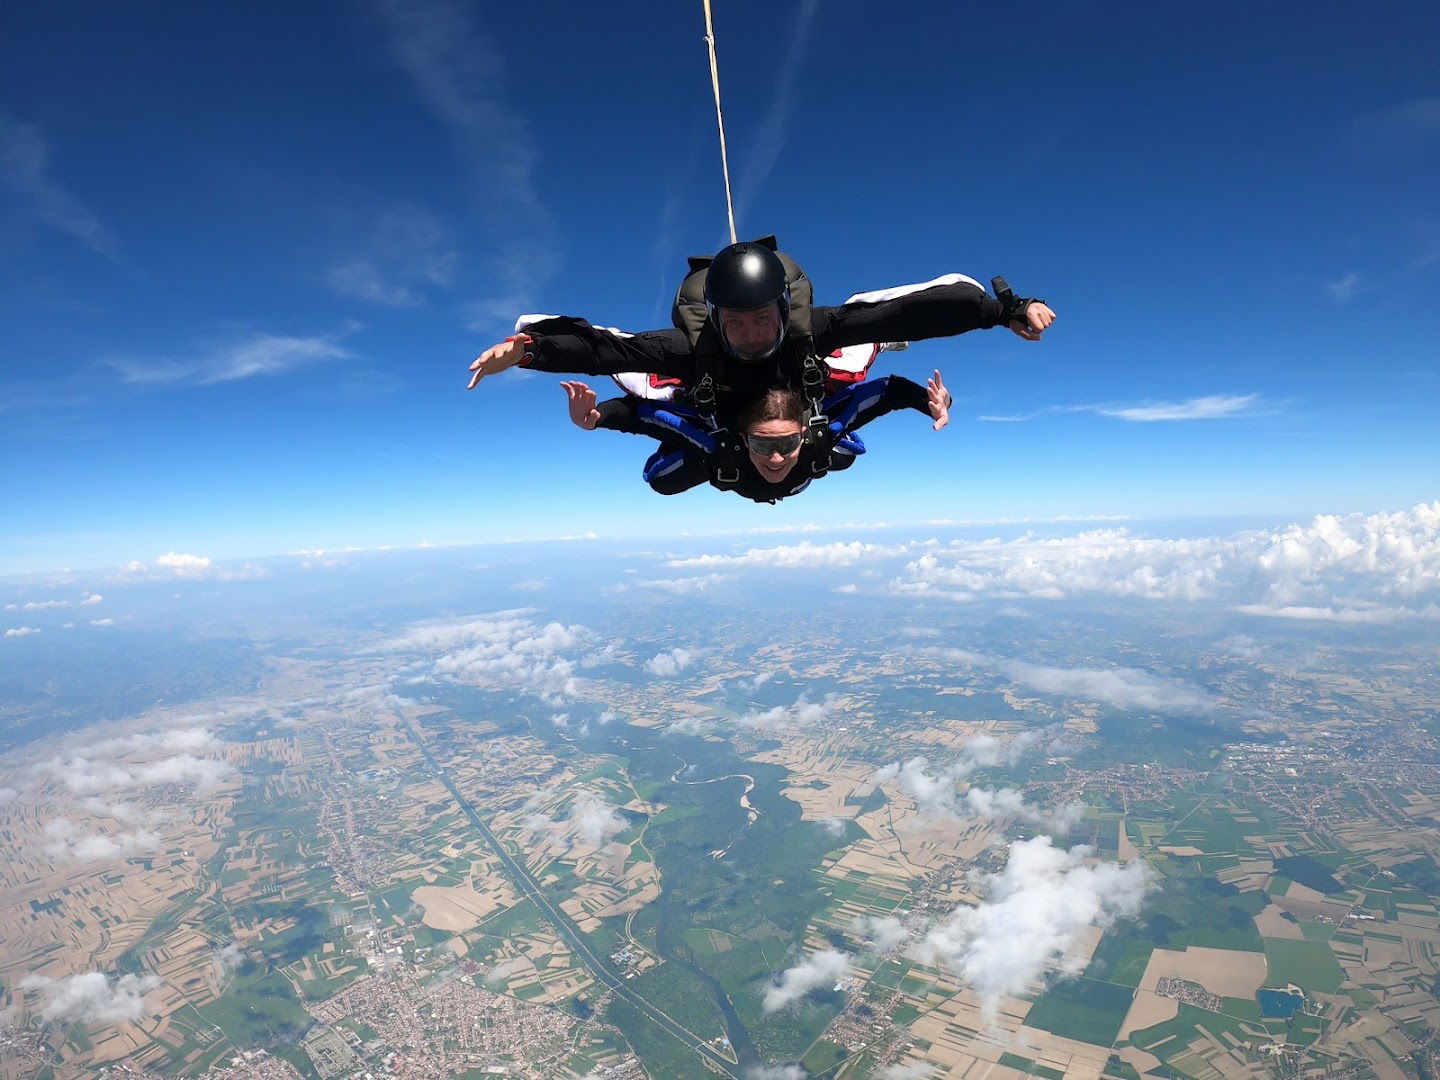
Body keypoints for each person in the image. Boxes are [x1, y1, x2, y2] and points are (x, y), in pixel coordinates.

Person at [467, 241, 1054, 432]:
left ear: (782, 311)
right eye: (736, 321)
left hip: (805, 389)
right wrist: (531, 350)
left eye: (761, 319)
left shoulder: (808, 332)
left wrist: (1002, 310)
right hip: (717, 401)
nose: (749, 333)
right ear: (717, 318)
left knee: (862, 335)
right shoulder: (693, 348)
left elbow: (900, 313)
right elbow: (608, 349)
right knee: (657, 402)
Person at [558, 369, 953, 503]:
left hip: (808, 455)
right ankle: (727, 448)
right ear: (745, 438)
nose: (776, 458)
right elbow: (645, 414)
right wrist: (595, 417)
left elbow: (885, 392)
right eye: (764, 444)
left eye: (786, 443)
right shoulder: (719, 442)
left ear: (801, 433)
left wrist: (931, 402)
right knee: (662, 480)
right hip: (721, 461)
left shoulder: (819, 436)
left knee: (842, 452)